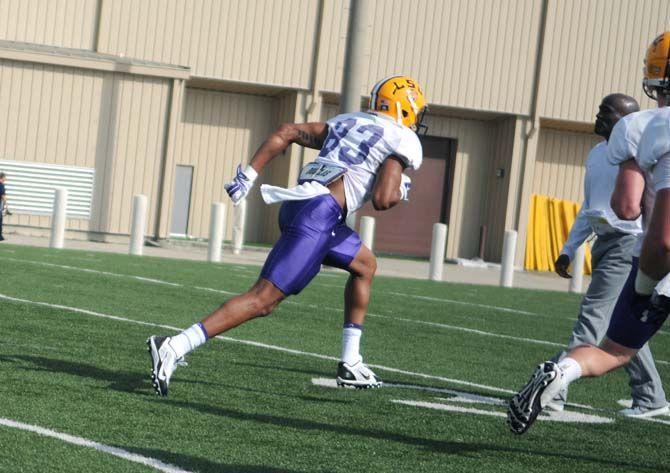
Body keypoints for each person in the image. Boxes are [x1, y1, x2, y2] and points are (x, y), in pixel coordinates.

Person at [147, 76, 427, 396]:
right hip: (319, 216)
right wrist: (399, 189)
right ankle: (173, 346)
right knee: (263, 300)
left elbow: (288, 131)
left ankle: (351, 362)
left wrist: (249, 174)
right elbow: (382, 199)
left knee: (365, 264)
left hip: (301, 205)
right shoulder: (403, 138)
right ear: (406, 110)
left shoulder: (348, 120)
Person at [508, 32, 670, 434]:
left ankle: (560, 379)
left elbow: (627, 206)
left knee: (610, 341)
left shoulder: (642, 128)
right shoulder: (605, 148)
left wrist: (647, 275)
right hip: (633, 247)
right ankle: (647, 397)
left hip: (646, 254)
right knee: (611, 332)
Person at [550, 94, 667, 417]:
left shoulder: (642, 153)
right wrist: (569, 249)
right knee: (624, 325)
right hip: (603, 242)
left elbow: (635, 207)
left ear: (627, 120)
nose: (599, 116)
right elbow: (590, 208)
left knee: (592, 318)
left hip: (627, 244)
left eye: (608, 111)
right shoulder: (597, 153)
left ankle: (555, 389)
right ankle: (651, 397)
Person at [0, 172, 8, 242]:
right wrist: (6, 205)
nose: (6, 178)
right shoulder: (1, 185)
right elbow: (3, 196)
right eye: (5, 177)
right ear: (2, 177)